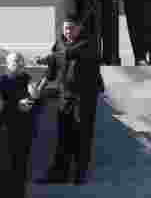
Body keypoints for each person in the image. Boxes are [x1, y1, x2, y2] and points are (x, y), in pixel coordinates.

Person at [36, 16, 102, 184]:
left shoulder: (89, 43)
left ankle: (80, 174)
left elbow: (68, 54)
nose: (68, 31)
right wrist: (39, 88)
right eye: (65, 28)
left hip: (84, 96)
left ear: (79, 28)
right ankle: (59, 173)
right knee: (64, 135)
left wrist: (47, 58)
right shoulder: (60, 43)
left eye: (71, 28)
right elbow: (52, 70)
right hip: (65, 94)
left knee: (82, 134)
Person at [0, 53, 40, 198]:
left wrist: (34, 99)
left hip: (24, 132)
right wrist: (17, 105)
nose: (20, 63)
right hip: (6, 132)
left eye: (21, 61)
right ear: (7, 64)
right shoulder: (2, 82)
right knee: (7, 171)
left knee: (20, 171)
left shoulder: (27, 80)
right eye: (15, 61)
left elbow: (36, 102)